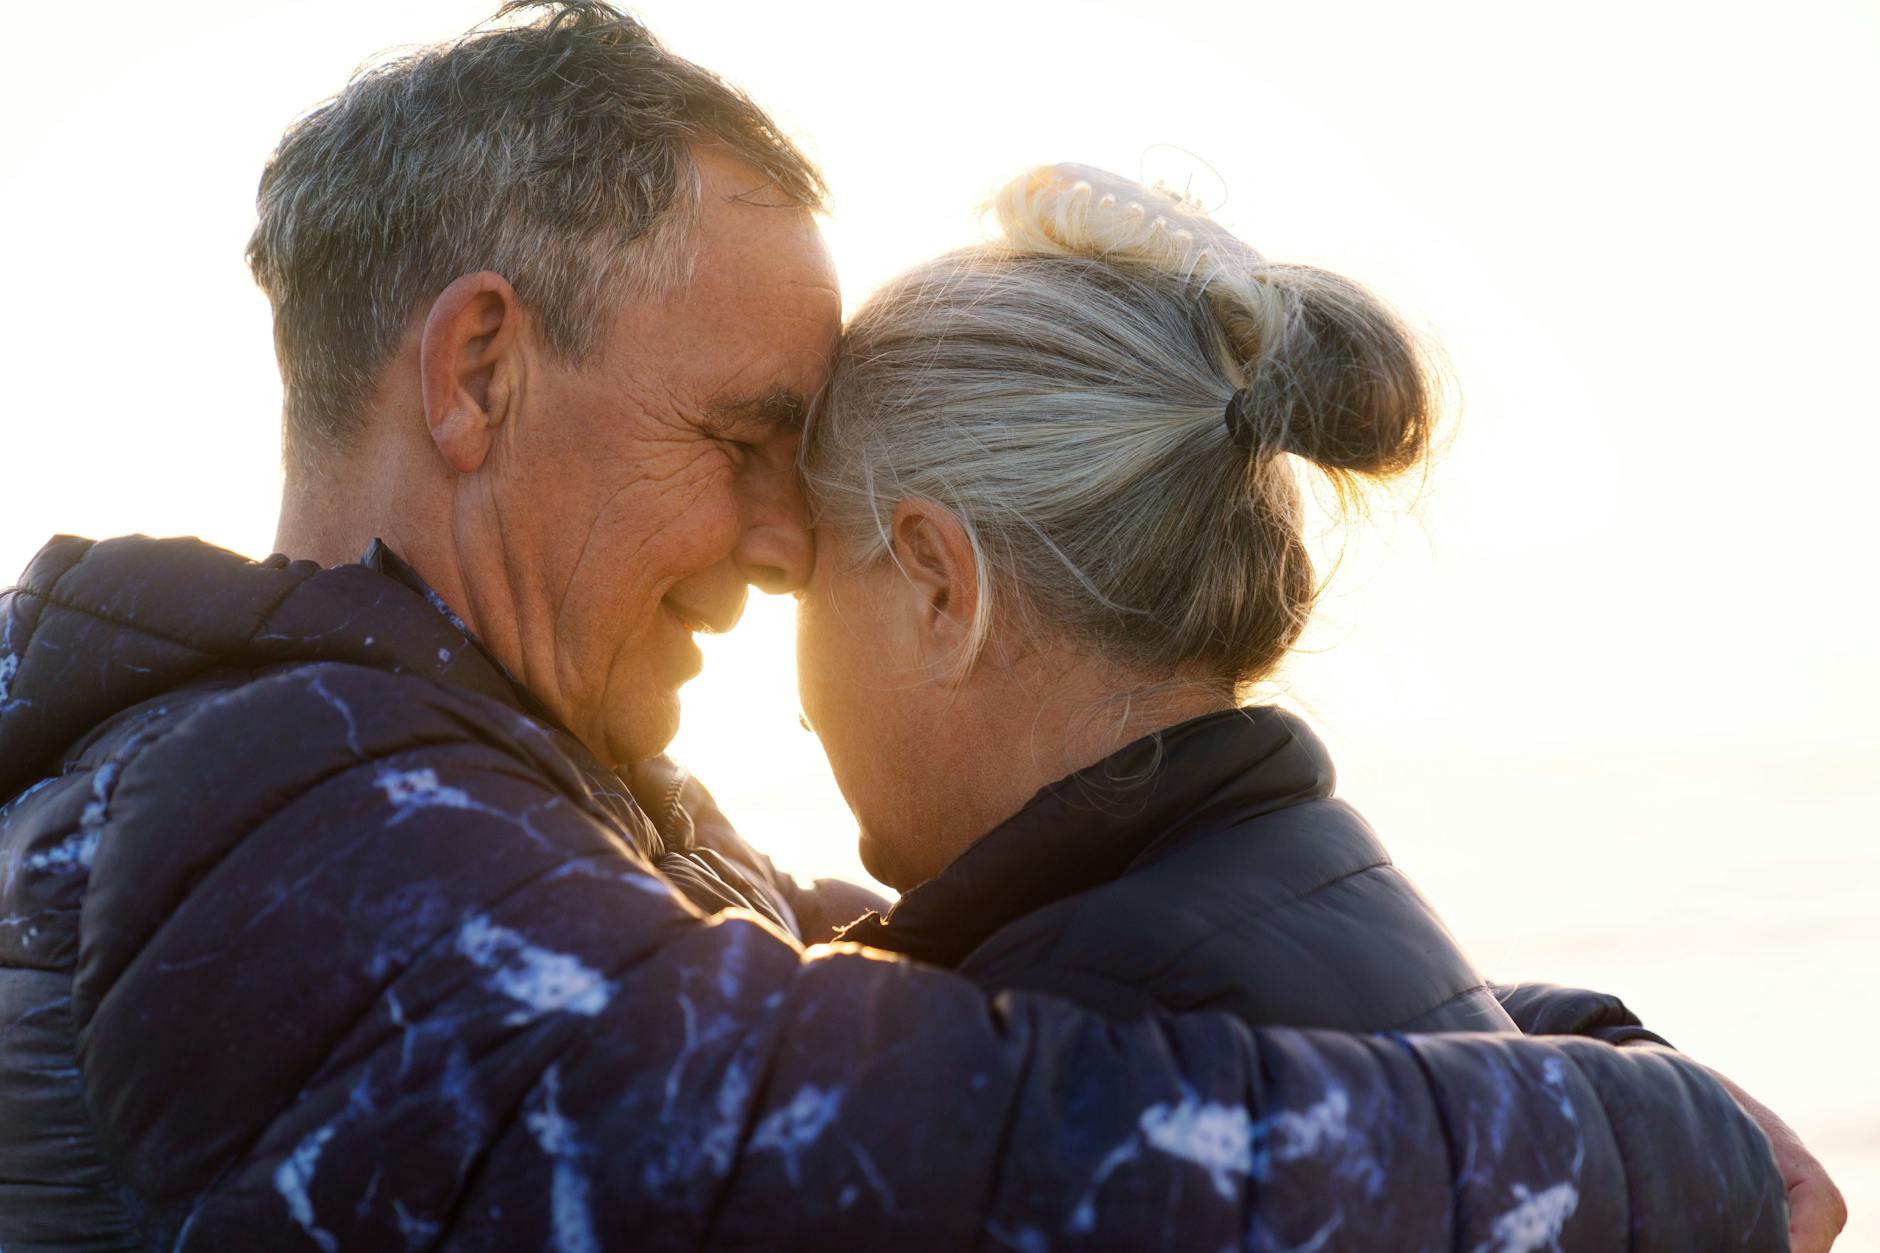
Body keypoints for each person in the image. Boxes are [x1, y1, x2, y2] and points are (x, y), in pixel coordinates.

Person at [0, 3, 1830, 1249]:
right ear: (479, 370)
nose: (783, 542)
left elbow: (885, 962)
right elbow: (908, 1138)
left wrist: (1529, 1024)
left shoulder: (483, 792)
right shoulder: (286, 809)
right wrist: (1636, 1138)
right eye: (743, 440)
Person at [803, 163, 1523, 1034]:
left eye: (807, 577)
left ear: (941, 589)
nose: (800, 711)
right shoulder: (1328, 903)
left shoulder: (1060, 1024)